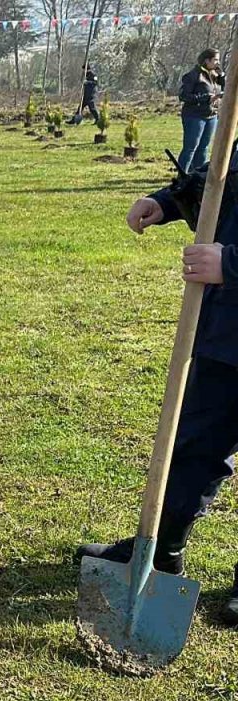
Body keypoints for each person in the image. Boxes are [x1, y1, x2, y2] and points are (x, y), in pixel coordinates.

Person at [76, 155, 238, 625]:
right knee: (192, 446)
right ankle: (161, 550)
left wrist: (231, 262)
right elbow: (219, 181)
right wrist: (166, 201)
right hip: (225, 332)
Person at [179, 49, 225, 173]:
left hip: (211, 116)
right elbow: (183, 96)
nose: (218, 62)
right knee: (190, 148)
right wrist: (206, 98)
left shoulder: (216, 75)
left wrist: (222, 79)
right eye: (215, 59)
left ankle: (197, 175)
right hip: (195, 116)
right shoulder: (193, 75)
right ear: (207, 60)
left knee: (203, 148)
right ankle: (182, 175)